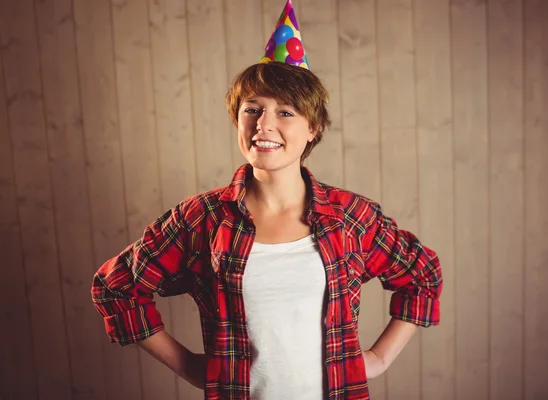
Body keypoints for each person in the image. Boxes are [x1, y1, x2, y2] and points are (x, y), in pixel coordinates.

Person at [91, 2, 442, 399]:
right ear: (237, 119)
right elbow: (115, 287)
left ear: (313, 128)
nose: (264, 125)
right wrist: (191, 367)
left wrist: (378, 357)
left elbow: (421, 274)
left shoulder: (349, 217)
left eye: (286, 112)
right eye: (252, 109)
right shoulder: (202, 218)